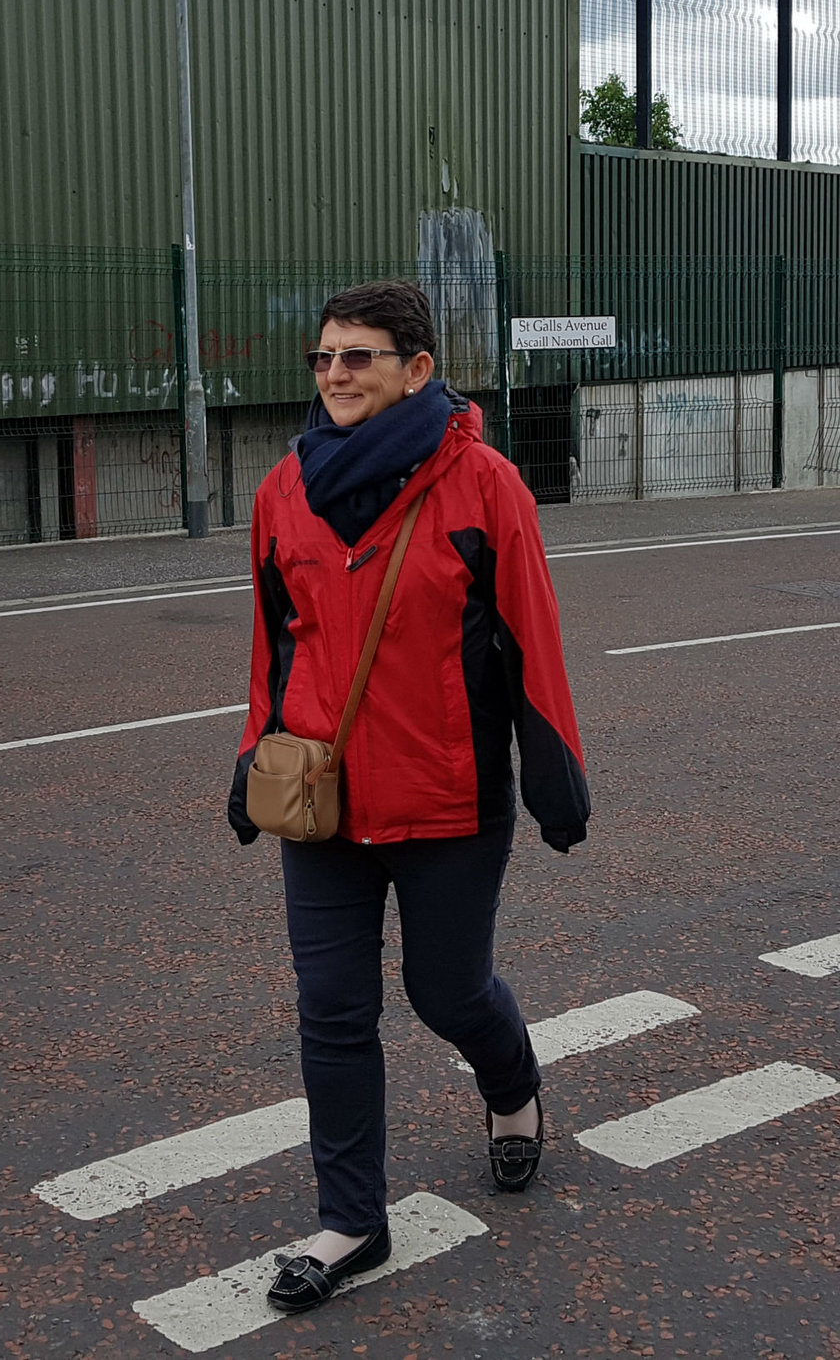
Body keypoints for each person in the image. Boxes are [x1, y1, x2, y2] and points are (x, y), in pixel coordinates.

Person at [226, 278, 589, 1314]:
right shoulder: (281, 492)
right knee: (332, 1012)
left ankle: (511, 1087)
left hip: (449, 800)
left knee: (446, 993)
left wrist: (554, 772)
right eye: (323, 358)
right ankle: (353, 1221)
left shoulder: (483, 485)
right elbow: (273, 642)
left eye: (358, 357)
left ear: (416, 369)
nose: (334, 375)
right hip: (325, 803)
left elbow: (530, 638)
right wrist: (254, 756)